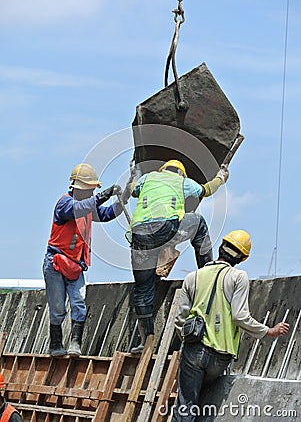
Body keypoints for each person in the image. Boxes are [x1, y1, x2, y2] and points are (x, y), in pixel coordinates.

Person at [172, 229, 290, 421]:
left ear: (221, 247)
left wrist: (187, 341)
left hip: (194, 350)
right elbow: (240, 316)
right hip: (221, 357)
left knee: (186, 406)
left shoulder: (192, 277)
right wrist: (268, 331)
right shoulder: (238, 277)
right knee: (207, 406)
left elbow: (180, 319)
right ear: (243, 258)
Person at [127, 159, 229, 353]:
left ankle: (145, 341)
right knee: (198, 222)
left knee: (143, 288)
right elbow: (206, 190)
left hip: (140, 236)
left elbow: (133, 189)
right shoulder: (182, 181)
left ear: (162, 170)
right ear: (181, 173)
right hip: (165, 229)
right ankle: (209, 271)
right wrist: (221, 177)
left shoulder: (148, 179)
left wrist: (134, 172)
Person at [43, 163, 126, 357]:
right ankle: (56, 345)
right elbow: (78, 209)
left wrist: (123, 199)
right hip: (56, 262)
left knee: (78, 302)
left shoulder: (87, 206)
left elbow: (105, 214)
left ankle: (75, 344)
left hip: (76, 265)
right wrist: (104, 195)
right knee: (57, 306)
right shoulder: (65, 204)